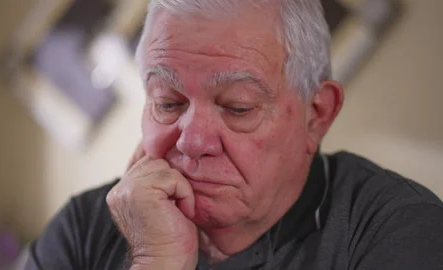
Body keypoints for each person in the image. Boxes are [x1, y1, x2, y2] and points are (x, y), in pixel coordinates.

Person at [25, 0, 443, 269]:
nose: (192, 142)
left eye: (238, 107)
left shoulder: (399, 230)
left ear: (316, 115)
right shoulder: (87, 224)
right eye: (168, 102)